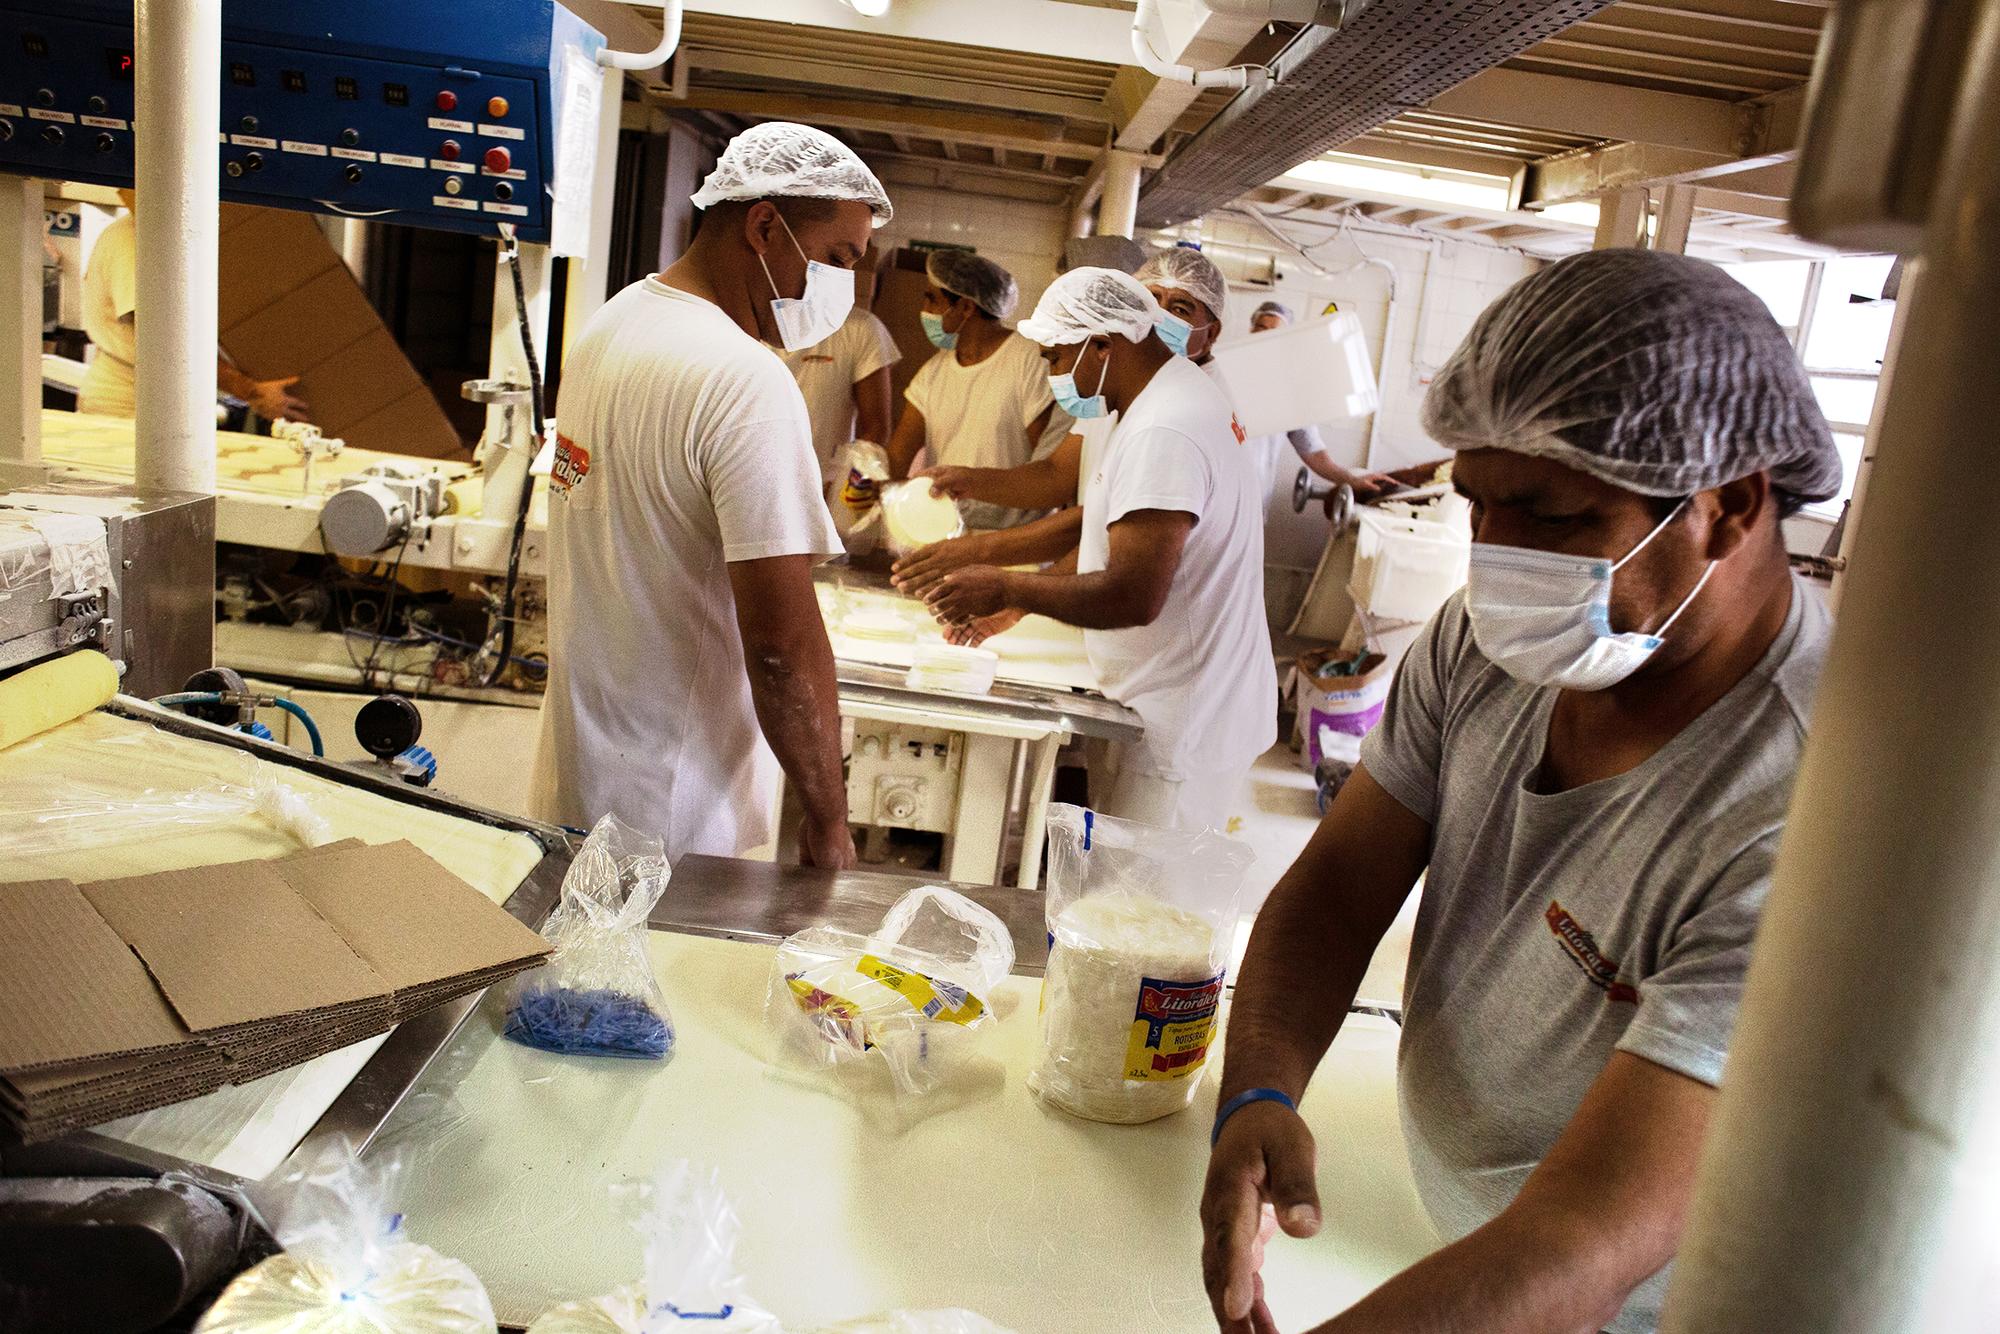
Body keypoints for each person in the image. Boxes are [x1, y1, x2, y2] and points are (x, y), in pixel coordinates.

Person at [1199, 249, 1845, 1334]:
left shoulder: (1810, 809)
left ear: (1727, 507)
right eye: (1476, 504)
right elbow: (1336, 887)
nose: (1493, 558)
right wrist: (1258, 1088)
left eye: (1548, 516)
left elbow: (1581, 1244)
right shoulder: (1483, 646)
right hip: (1482, 1257)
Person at [530, 122, 893, 869]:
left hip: (579, 781)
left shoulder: (613, 323)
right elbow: (782, 650)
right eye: (835, 259)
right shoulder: (745, 382)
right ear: (765, 226)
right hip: (672, 814)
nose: (837, 290)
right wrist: (829, 821)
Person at [912, 268, 1276, 830]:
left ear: (1103, 344)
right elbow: (1101, 521)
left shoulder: (1165, 429)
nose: (1052, 372)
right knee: (1121, 894)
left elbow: (1134, 595)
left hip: (1184, 719)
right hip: (1162, 694)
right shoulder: (1157, 398)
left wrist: (1006, 585)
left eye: (1056, 357)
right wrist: (992, 568)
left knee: (1147, 906)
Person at [889, 245, 1231, 604]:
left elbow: (1095, 526)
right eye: (1151, 299)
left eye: (1179, 308)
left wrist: (991, 565)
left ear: (1211, 332)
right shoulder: (1125, 393)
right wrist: (968, 480)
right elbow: (1055, 476)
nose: (1158, 317)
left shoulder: (1178, 418)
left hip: (1169, 626)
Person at [79, 190, 311, 421]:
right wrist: (252, 391)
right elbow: (164, 338)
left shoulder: (180, 238)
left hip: (172, 401)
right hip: (127, 404)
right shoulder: (132, 239)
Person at [884, 249, 1065, 529]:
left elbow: (1048, 464)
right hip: (944, 531)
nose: (924, 308)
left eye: (932, 299)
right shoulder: (934, 371)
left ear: (967, 308)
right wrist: (873, 485)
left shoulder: (1029, 359)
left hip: (1012, 538)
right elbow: (898, 454)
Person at [1243, 297, 1395, 502]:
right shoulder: (1222, 372)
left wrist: (1352, 480)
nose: (1265, 337)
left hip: (1254, 496)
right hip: (1209, 490)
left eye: (1274, 332)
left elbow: (1313, 452)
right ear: (1251, 331)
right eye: (1261, 328)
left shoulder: (1291, 393)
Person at [774, 240, 900, 488]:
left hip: (823, 483)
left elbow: (876, 426)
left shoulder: (861, 329)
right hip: (752, 478)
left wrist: (845, 484)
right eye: (836, 260)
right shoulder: (747, 322)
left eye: (847, 264)